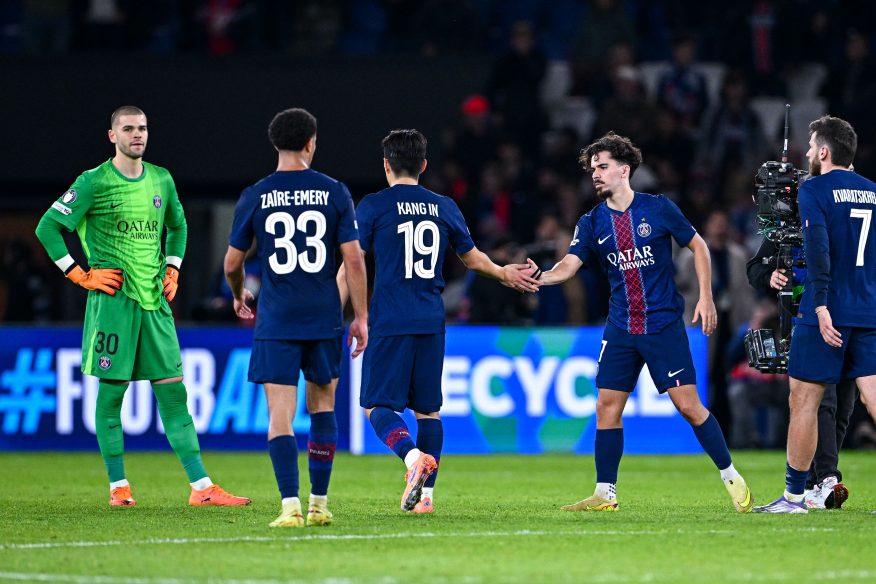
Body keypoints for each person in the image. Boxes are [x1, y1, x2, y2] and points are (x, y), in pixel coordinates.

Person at [33, 106, 250, 508]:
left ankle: (201, 488)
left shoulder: (161, 179)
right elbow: (48, 226)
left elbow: (178, 226)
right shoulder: (93, 182)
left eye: (143, 128)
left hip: (155, 304)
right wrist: (79, 274)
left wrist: (173, 268)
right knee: (112, 397)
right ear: (112, 136)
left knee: (173, 394)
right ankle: (119, 487)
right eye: (129, 128)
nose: (138, 135)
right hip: (114, 304)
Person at [538, 131, 754, 513]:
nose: (596, 175)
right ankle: (605, 493)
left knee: (687, 405)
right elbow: (568, 266)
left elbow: (698, 245)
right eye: (592, 169)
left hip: (662, 325)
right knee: (606, 406)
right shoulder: (590, 223)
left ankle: (730, 474)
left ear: (625, 170)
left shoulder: (658, 208)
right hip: (621, 326)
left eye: (602, 167)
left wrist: (705, 296)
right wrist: (539, 277)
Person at [337, 129, 540, 514]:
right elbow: (474, 259)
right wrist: (505, 273)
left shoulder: (374, 206)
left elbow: (353, 263)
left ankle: (413, 458)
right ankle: (425, 498)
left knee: (375, 406)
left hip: (392, 318)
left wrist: (339, 311)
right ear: (424, 165)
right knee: (428, 411)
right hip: (432, 319)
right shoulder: (443, 205)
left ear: (386, 165)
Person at [753, 116, 876, 515]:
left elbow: (819, 253)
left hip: (826, 313)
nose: (807, 152)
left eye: (811, 146)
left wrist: (821, 305)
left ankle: (793, 497)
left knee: (803, 402)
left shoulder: (815, 190)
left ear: (825, 151)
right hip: (871, 313)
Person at [224, 108, 368, 528]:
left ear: (276, 144)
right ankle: (319, 504)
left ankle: (290, 507)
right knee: (323, 408)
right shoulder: (334, 191)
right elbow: (354, 260)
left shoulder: (256, 194)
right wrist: (359, 316)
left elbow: (233, 261)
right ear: (311, 143)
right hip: (323, 316)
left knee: (279, 417)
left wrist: (238, 294)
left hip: (277, 318)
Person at [747, 235, 853, 509]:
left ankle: (811, 483)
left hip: (847, 318)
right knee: (822, 401)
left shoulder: (835, 218)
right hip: (806, 323)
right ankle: (827, 478)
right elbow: (755, 268)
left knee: (843, 405)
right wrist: (771, 276)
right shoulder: (787, 229)